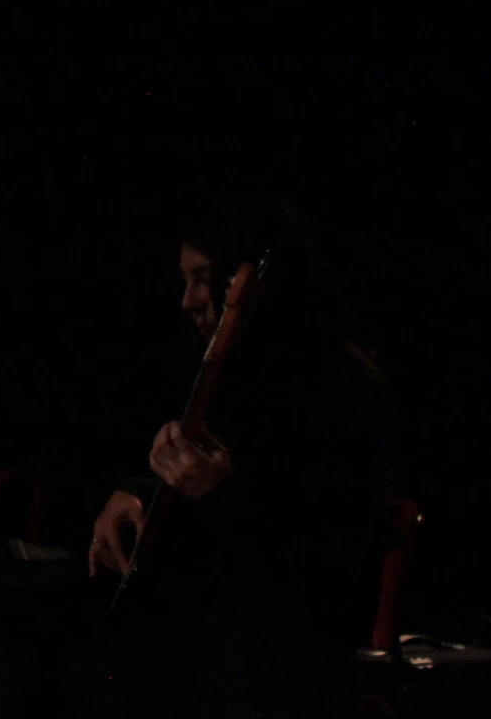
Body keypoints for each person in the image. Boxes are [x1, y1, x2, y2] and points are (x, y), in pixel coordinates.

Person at [80, 195, 396, 718]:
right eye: (185, 280)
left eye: (204, 279)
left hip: (288, 665)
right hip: (211, 649)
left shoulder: (342, 386)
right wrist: (138, 495)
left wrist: (219, 497)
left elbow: (322, 566)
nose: (188, 300)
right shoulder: (233, 375)